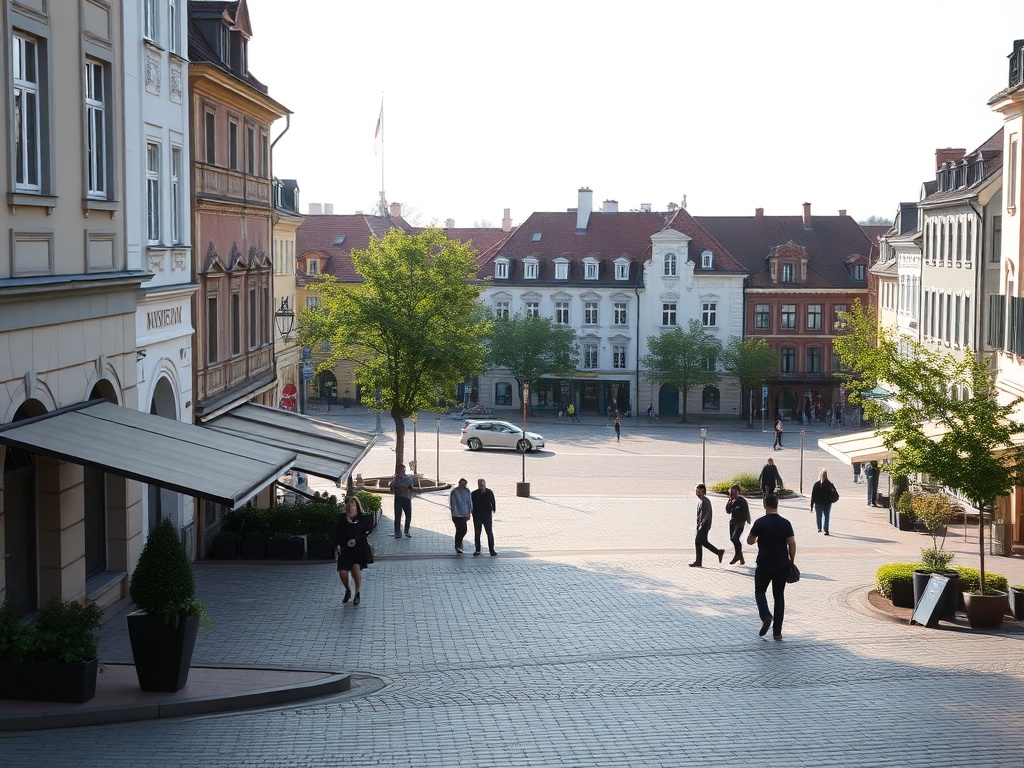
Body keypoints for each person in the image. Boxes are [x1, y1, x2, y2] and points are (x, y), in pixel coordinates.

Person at [747, 493, 796, 640]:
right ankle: (777, 632)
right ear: (777, 504)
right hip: (782, 563)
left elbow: (750, 541)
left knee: (760, 592)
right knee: (779, 596)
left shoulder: (760, 522)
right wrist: (791, 560)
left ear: (764, 505)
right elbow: (792, 543)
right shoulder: (785, 523)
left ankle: (766, 616)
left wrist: (757, 538)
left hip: (764, 563)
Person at [335, 496, 373, 607]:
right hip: (345, 547)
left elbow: (366, 531)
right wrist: (338, 544)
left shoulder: (362, 518)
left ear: (357, 505)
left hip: (358, 546)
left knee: (355, 567)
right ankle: (348, 590)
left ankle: (357, 593)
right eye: (348, 502)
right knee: (342, 571)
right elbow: (337, 532)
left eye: (352, 502)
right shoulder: (342, 518)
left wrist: (356, 539)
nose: (350, 504)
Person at [689, 483, 725, 567]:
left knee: (698, 541)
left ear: (703, 492)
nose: (697, 493)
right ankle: (718, 552)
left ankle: (699, 561)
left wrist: (700, 526)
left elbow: (704, 515)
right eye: (696, 491)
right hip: (704, 525)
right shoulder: (703, 500)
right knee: (703, 542)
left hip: (704, 525)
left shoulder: (704, 501)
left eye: (699, 492)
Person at [389, 464, 418, 539]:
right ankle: (406, 531)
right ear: (404, 470)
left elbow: (391, 486)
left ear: (398, 470)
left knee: (397, 516)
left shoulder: (395, 479)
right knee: (408, 516)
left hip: (398, 499)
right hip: (406, 499)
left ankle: (397, 533)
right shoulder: (408, 478)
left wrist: (394, 489)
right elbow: (411, 489)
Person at [725, 484, 752, 564]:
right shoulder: (732, 500)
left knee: (735, 538)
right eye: (731, 492)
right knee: (732, 538)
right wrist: (729, 502)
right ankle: (740, 557)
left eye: (734, 492)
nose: (733, 494)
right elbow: (728, 511)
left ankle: (737, 555)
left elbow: (744, 512)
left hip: (740, 523)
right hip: (733, 522)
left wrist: (747, 520)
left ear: (738, 492)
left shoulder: (742, 501)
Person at [471, 478, 497, 556]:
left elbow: (493, 502)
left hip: (487, 515)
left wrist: (493, 509)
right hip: (477, 516)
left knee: (489, 533)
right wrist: (472, 512)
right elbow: (471, 504)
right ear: (478, 484)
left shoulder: (489, 492)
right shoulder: (474, 493)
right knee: (477, 533)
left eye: (483, 484)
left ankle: (491, 550)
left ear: (485, 484)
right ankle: (477, 549)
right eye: (480, 484)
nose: (481, 485)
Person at [809, 468, 837, 535]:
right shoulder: (830, 484)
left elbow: (813, 495)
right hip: (827, 503)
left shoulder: (816, 484)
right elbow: (835, 494)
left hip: (818, 503)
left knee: (819, 516)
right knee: (827, 516)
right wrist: (832, 500)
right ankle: (826, 530)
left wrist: (811, 505)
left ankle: (819, 528)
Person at [449, 478, 472, 554]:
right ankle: (458, 546)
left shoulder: (467, 491)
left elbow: (470, 502)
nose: (464, 485)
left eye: (465, 484)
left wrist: (469, 512)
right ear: (459, 483)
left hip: (464, 514)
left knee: (463, 530)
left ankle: (458, 545)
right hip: (456, 514)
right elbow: (452, 503)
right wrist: (452, 512)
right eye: (462, 484)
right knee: (460, 530)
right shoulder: (454, 492)